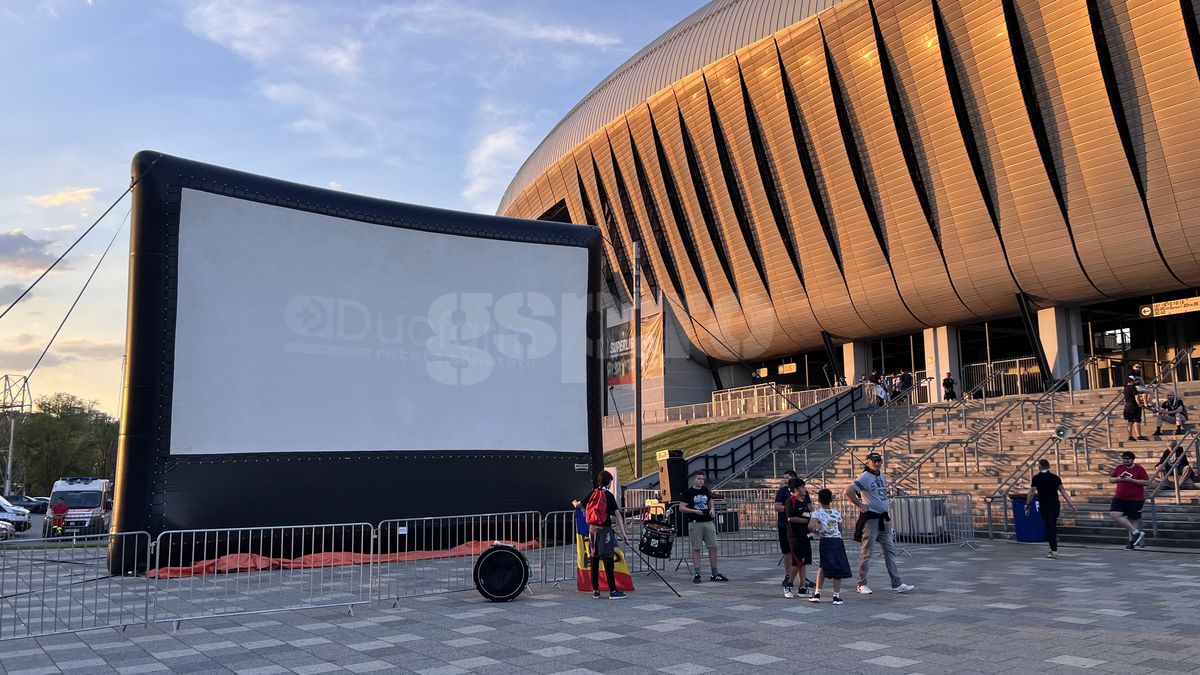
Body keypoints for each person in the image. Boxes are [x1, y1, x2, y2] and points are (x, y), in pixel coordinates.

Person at [844, 452, 914, 594]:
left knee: (890, 551)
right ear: (868, 462)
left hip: (884, 519)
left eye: (879, 461)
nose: (877, 464)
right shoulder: (864, 477)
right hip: (871, 520)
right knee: (867, 552)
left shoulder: (882, 476)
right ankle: (861, 583)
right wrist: (859, 505)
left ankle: (896, 583)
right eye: (874, 461)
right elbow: (848, 491)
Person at [571, 470, 631, 599]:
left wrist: (574, 503)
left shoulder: (593, 493)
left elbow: (579, 505)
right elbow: (618, 514)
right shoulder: (608, 495)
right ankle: (613, 591)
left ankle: (596, 590)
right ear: (609, 483)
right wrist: (623, 533)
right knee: (609, 561)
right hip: (605, 531)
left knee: (594, 560)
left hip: (593, 530)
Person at [1024, 458, 1077, 559]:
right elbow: (1063, 492)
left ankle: (1053, 550)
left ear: (1039, 467)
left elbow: (1031, 493)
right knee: (1053, 525)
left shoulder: (1036, 478)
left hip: (1045, 505)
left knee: (1049, 527)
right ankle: (1053, 546)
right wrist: (1071, 505)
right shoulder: (1055, 478)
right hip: (1055, 505)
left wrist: (1027, 503)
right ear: (1048, 467)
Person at [681, 471, 727, 583]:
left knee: (713, 547)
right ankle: (697, 573)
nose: (701, 481)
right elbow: (681, 508)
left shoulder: (706, 490)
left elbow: (711, 501)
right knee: (696, 548)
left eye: (702, 479)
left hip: (708, 521)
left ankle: (714, 573)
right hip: (695, 522)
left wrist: (712, 509)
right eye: (699, 479)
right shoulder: (688, 492)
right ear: (694, 480)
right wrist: (694, 511)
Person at [807, 488, 851, 604]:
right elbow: (841, 528)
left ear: (819, 500)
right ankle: (836, 596)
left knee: (822, 566)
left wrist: (817, 531)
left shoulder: (817, 513)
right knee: (838, 566)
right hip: (837, 540)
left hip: (825, 540)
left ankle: (817, 593)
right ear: (831, 500)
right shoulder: (836, 513)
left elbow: (811, 526)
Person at [1109, 451, 1150, 549]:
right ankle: (1136, 533)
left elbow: (1146, 482)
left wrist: (1132, 480)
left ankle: (1131, 542)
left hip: (1135, 499)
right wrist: (1119, 478)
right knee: (1114, 514)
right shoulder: (1119, 468)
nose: (1125, 460)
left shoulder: (1139, 469)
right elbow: (1111, 479)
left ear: (1132, 459)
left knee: (1133, 520)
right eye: (1124, 459)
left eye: (1127, 459)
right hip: (1119, 498)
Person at [783, 477, 812, 598]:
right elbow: (790, 518)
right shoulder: (791, 500)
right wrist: (806, 521)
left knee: (803, 562)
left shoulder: (804, 500)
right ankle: (788, 585)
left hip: (805, 535)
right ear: (796, 489)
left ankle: (802, 587)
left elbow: (808, 515)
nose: (804, 489)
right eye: (802, 487)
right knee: (797, 561)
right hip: (794, 536)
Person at [1122, 376, 1147, 442]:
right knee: (1136, 420)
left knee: (1130, 421)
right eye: (1133, 381)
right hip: (1134, 406)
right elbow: (1137, 397)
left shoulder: (1125, 389)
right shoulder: (1132, 388)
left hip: (1127, 407)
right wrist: (1139, 404)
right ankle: (1139, 435)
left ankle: (1130, 436)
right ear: (1131, 381)